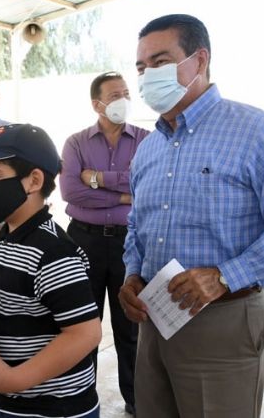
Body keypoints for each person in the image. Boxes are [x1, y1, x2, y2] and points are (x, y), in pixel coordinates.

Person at [117, 14, 264, 417]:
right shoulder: (148, 148)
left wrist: (224, 276)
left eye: (160, 62)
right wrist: (132, 273)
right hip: (155, 318)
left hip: (224, 321)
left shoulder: (258, 132)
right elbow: (136, 225)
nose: (148, 76)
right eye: (142, 68)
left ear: (199, 61)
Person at [0, 123, 103, 418]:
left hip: (58, 409)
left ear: (33, 180)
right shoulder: (1, 238)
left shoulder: (55, 253)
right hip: (11, 404)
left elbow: (85, 333)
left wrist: (14, 379)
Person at [59, 72, 150, 416]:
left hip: (131, 242)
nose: (122, 100)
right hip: (84, 241)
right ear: (96, 103)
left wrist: (98, 180)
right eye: (114, 95)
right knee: (83, 325)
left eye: (126, 93)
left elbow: (148, 185)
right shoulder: (76, 142)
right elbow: (71, 192)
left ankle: (136, 400)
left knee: (130, 327)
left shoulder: (146, 139)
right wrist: (125, 194)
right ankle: (81, 397)